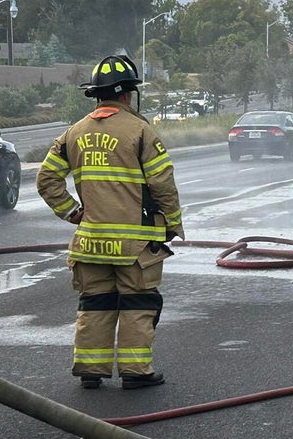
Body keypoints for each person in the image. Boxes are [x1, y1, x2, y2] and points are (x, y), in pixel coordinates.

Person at [37, 54, 184, 389]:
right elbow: (163, 184)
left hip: (90, 244)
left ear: (97, 95)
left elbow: (46, 179)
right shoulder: (141, 132)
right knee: (137, 303)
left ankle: (91, 370)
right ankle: (135, 372)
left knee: (96, 304)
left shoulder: (73, 133)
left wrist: (72, 212)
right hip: (134, 247)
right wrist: (173, 224)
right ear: (126, 94)